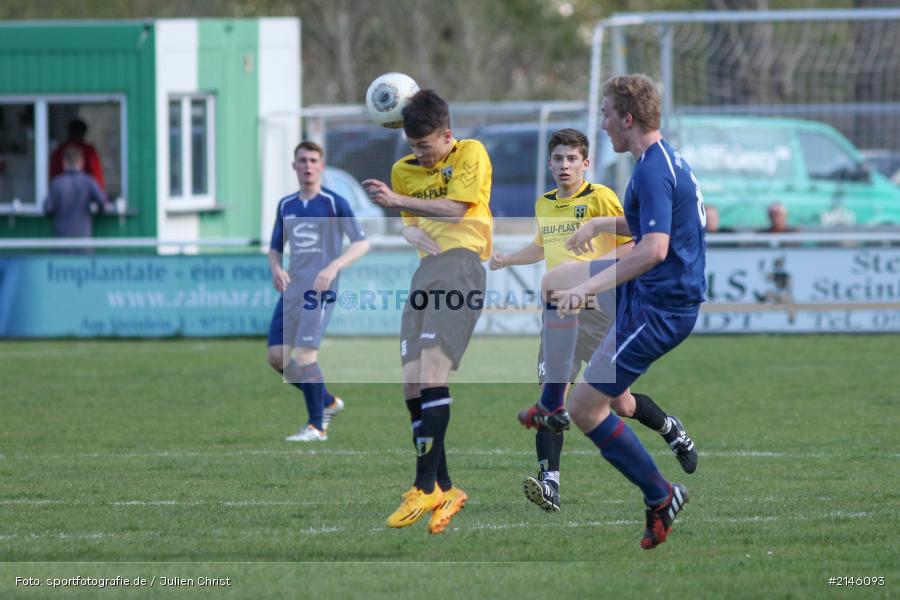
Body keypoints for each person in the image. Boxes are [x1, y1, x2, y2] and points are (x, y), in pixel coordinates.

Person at [538, 74, 706, 549]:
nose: (604, 123)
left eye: (608, 114)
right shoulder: (660, 161)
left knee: (587, 408)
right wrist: (600, 223)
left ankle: (661, 495)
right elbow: (653, 219)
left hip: (660, 308)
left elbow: (653, 249)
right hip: (648, 297)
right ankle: (546, 403)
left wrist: (589, 286)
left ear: (627, 117)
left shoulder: (653, 168)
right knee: (553, 282)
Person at [363, 89, 492, 534]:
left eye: (426, 145)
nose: (419, 153)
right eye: (413, 145)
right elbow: (413, 230)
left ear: (447, 136)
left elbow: (457, 209)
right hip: (427, 273)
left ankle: (423, 486)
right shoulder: (403, 171)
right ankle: (445, 486)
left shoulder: (470, 153)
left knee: (434, 373)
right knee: (412, 383)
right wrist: (412, 231)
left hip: (462, 267)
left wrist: (400, 204)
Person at [490, 128, 638, 513]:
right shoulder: (544, 204)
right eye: (558, 158)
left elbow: (631, 247)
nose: (564, 165)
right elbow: (540, 248)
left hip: (601, 312)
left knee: (621, 404)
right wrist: (508, 258)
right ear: (549, 163)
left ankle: (672, 430)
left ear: (585, 163)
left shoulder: (601, 198)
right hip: (560, 312)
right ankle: (550, 483)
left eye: (572, 158)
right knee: (550, 397)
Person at [266, 141, 370, 442]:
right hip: (292, 289)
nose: (308, 166)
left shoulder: (334, 203)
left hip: (319, 291)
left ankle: (317, 427)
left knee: (305, 354)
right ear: (294, 166)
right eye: (303, 160)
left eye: (313, 160)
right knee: (276, 358)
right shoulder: (287, 205)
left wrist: (333, 266)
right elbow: (274, 248)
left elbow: (361, 243)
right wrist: (276, 269)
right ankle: (325, 400)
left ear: (321, 166)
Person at [44, 146, 109, 247]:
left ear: (64, 162)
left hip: (62, 239)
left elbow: (48, 208)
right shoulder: (89, 181)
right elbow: (102, 202)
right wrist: (98, 212)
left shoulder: (57, 183)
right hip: (83, 239)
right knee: (83, 263)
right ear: (81, 162)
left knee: (61, 263)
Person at [49, 119, 106, 193]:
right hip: (85, 194)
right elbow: (98, 178)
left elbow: (53, 175)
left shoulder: (60, 149)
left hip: (63, 192)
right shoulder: (89, 150)